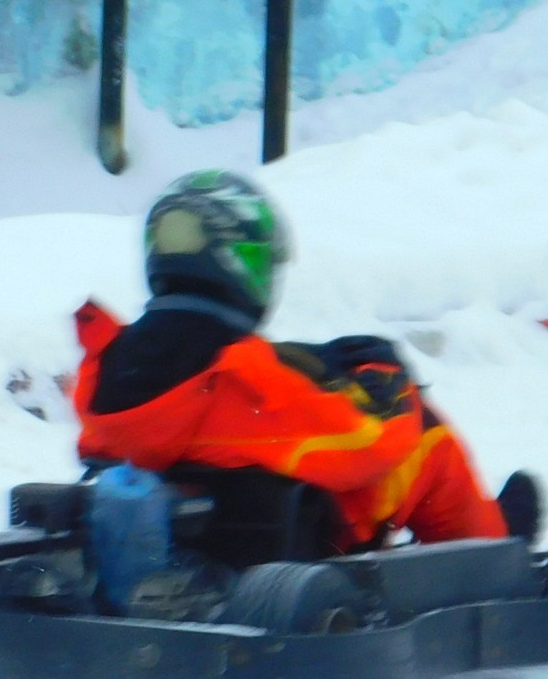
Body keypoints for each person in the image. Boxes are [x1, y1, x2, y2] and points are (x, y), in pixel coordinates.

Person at [72, 171, 522, 552]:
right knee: (426, 439)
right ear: (245, 261)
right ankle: (487, 551)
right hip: (277, 547)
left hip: (175, 533)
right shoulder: (245, 376)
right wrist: (387, 380)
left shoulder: (110, 366)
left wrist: (311, 364)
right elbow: (366, 443)